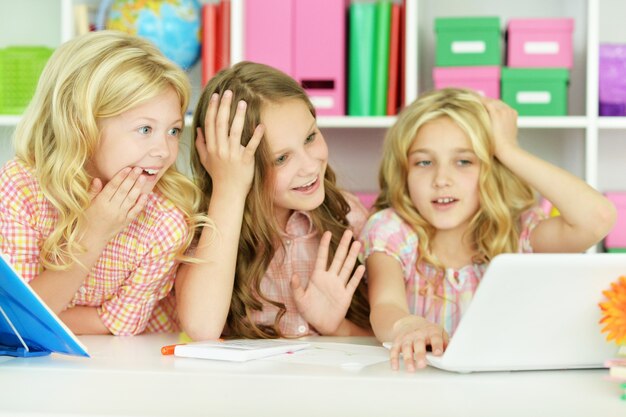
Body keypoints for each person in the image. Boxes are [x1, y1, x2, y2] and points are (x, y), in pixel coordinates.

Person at [360, 88, 617, 371]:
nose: (442, 179)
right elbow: (385, 304)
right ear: (403, 172)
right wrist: (407, 325)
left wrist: (508, 149)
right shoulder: (392, 230)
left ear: (492, 169)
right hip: (421, 390)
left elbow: (597, 217)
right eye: (424, 162)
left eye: (464, 161)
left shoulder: (518, 232)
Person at [0, 31, 207, 336]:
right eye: (145, 129)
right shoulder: (23, 188)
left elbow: (121, 325)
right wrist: (94, 232)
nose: (164, 151)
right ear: (80, 125)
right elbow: (16, 316)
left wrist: (44, 309)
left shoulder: (166, 220)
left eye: (173, 131)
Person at [176, 61, 371, 340]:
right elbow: (201, 327)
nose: (309, 166)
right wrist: (229, 188)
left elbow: (381, 339)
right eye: (281, 158)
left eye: (310, 137)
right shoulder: (203, 229)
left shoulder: (347, 216)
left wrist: (335, 328)